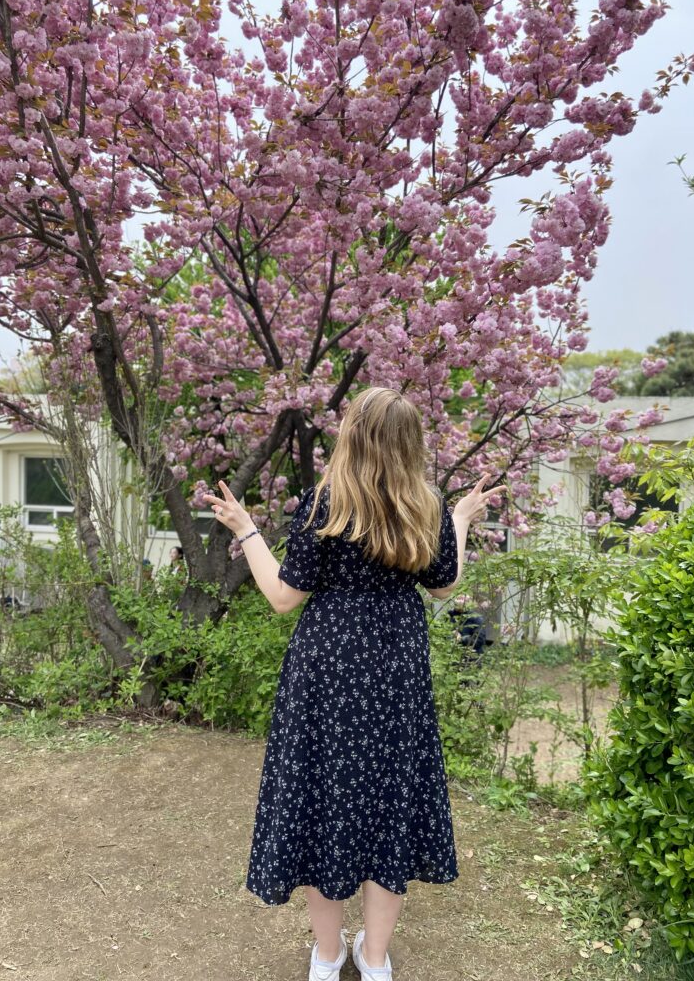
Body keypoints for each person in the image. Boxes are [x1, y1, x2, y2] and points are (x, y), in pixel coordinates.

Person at [203, 386, 505, 981]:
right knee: (388, 803)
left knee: (322, 804)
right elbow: (443, 586)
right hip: (396, 670)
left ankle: (326, 956)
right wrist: (461, 519)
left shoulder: (326, 503)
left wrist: (245, 529)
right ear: (409, 443)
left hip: (328, 671)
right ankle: (373, 961)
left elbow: (284, 598)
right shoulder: (426, 504)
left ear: (354, 436)